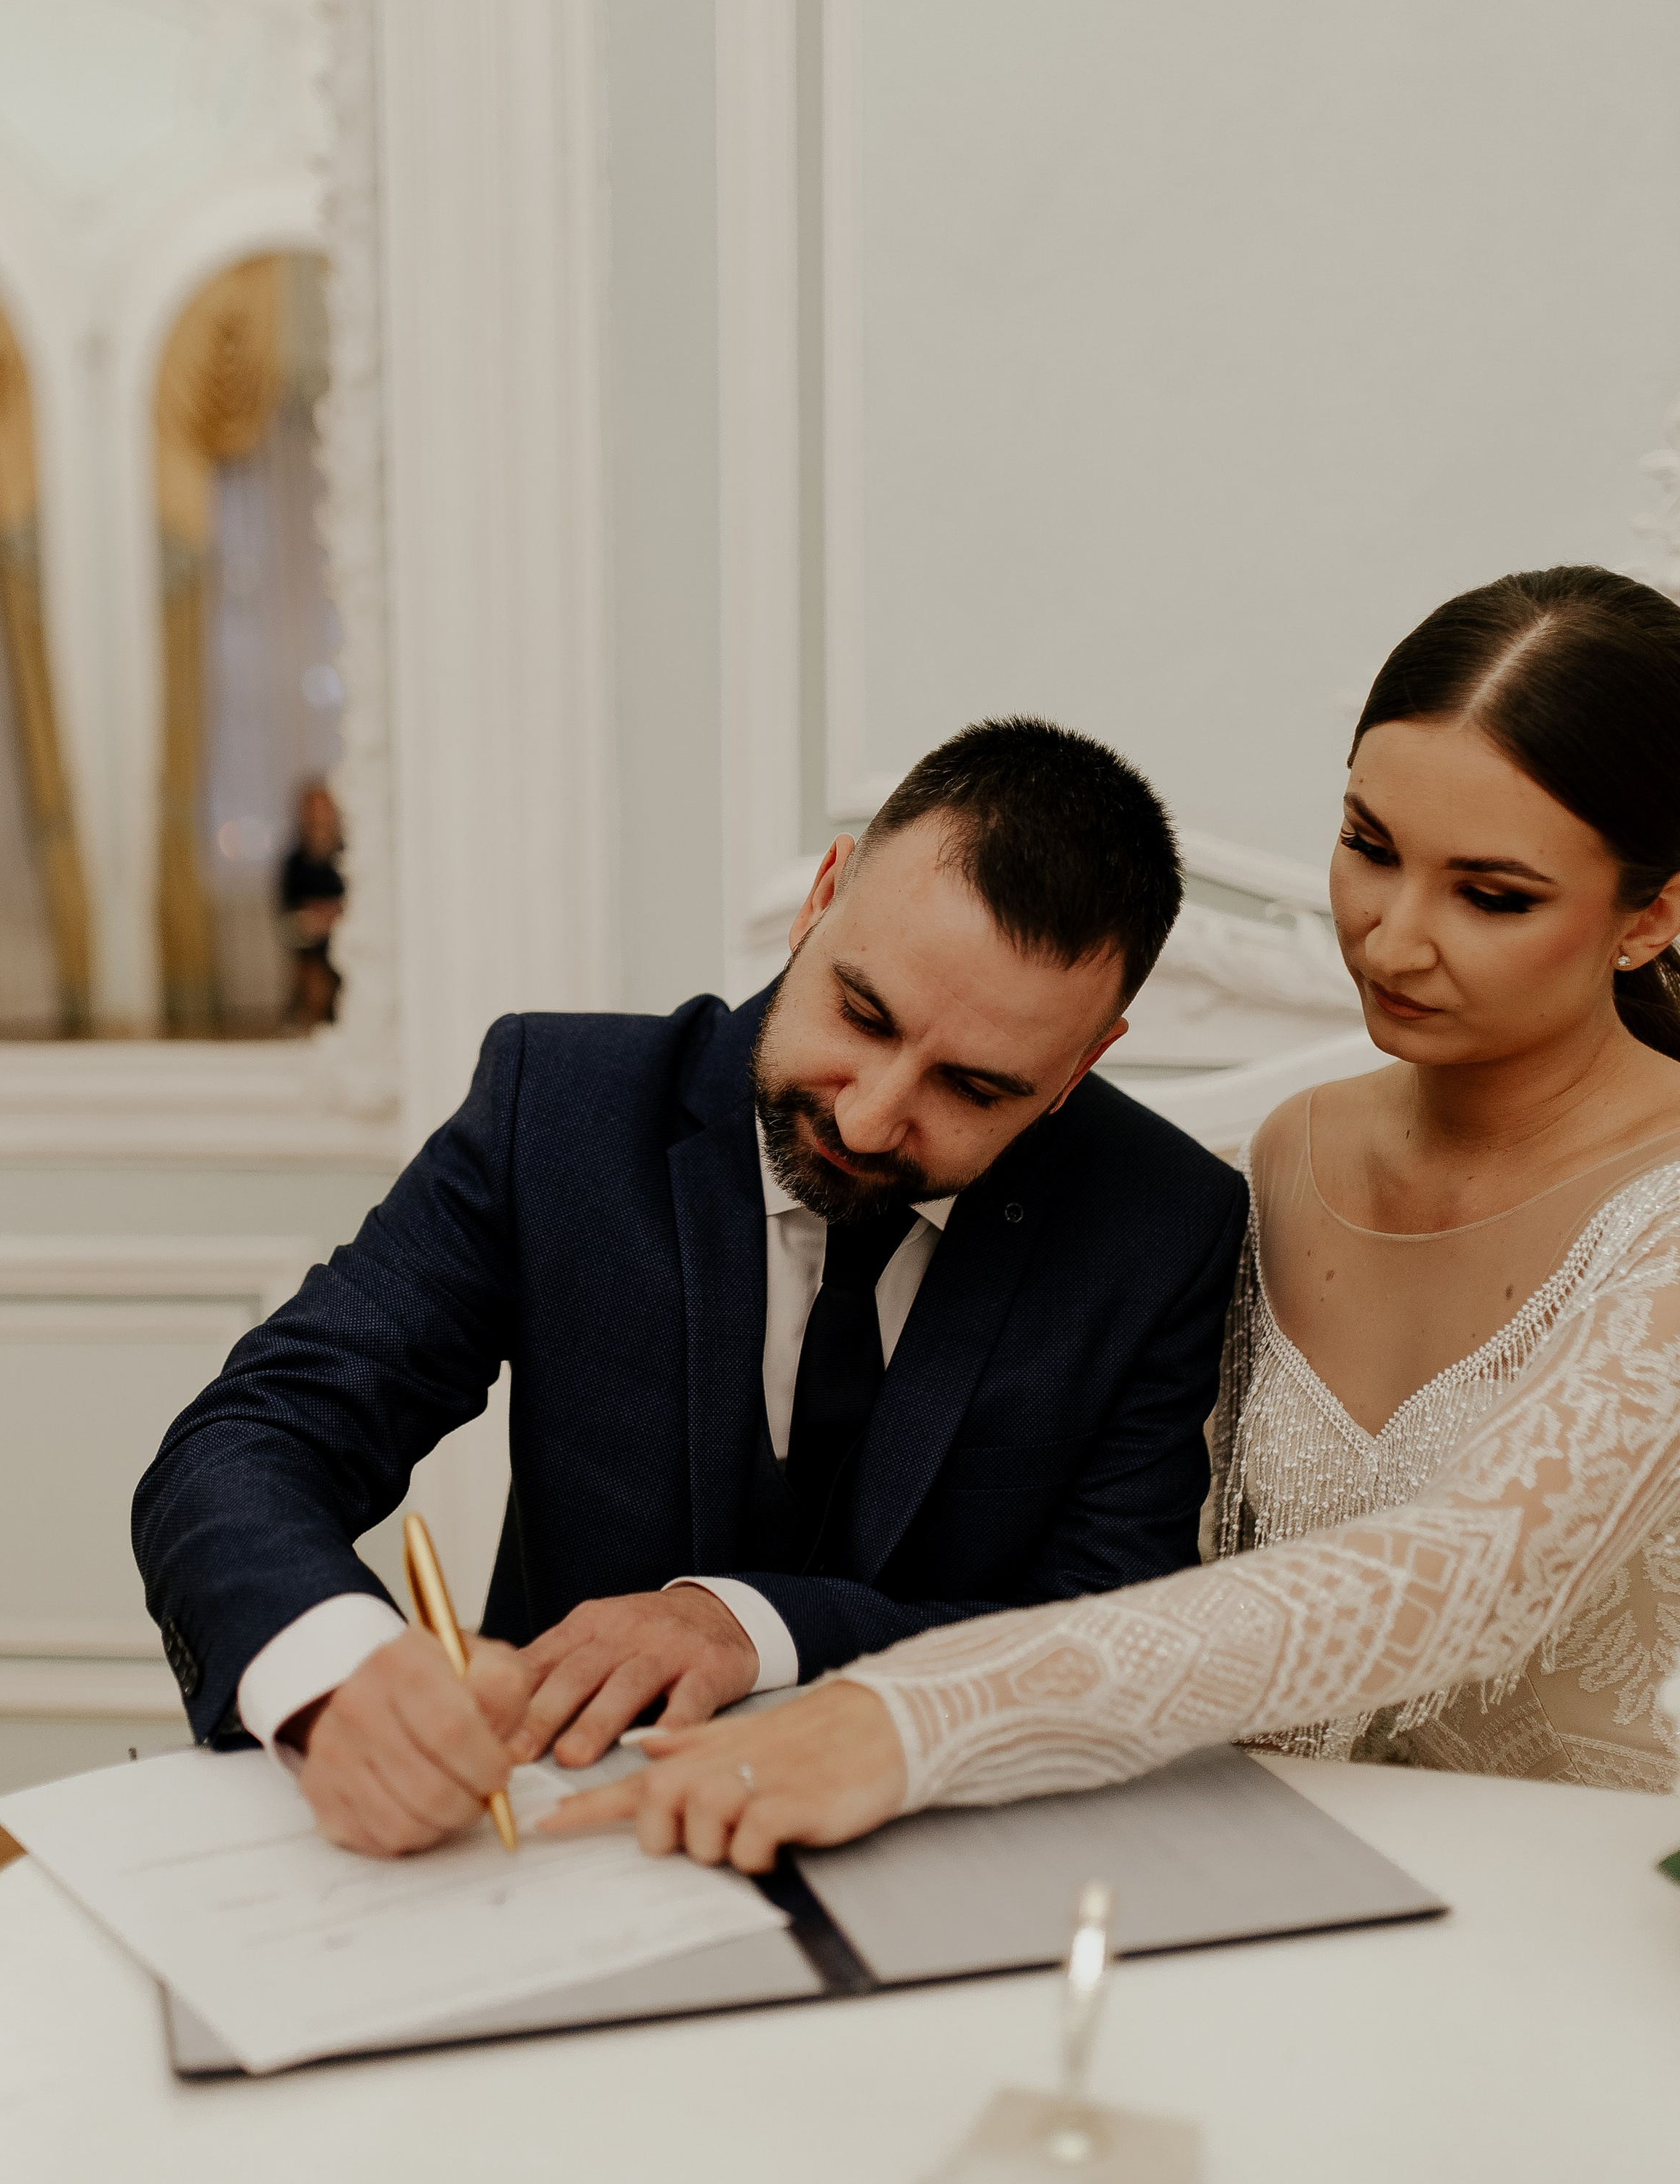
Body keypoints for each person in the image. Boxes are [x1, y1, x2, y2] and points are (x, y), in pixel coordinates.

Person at [547, 567, 1680, 1872]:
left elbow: (1462, 1575)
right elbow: (1147, 1561)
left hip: (1576, 1904)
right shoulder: (1287, 1151)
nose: (1389, 940)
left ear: (1646, 917)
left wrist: (915, 1718)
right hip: (1249, 1874)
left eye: (1491, 896)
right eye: (1370, 846)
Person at [133, 720, 1247, 1855]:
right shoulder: (557, 1110)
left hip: (949, 1854)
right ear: (824, 897)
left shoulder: (1162, 1224)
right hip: (558, 1840)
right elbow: (250, 1442)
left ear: (1077, 1069)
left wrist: (749, 1626)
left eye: (973, 1087)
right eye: (863, 1014)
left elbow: (1111, 1631)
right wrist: (336, 1675)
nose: (868, 1116)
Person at [278, 780, 346, 1029]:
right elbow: (290, 911)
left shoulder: (347, 856)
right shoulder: (295, 862)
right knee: (314, 973)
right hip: (312, 943)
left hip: (345, 938)